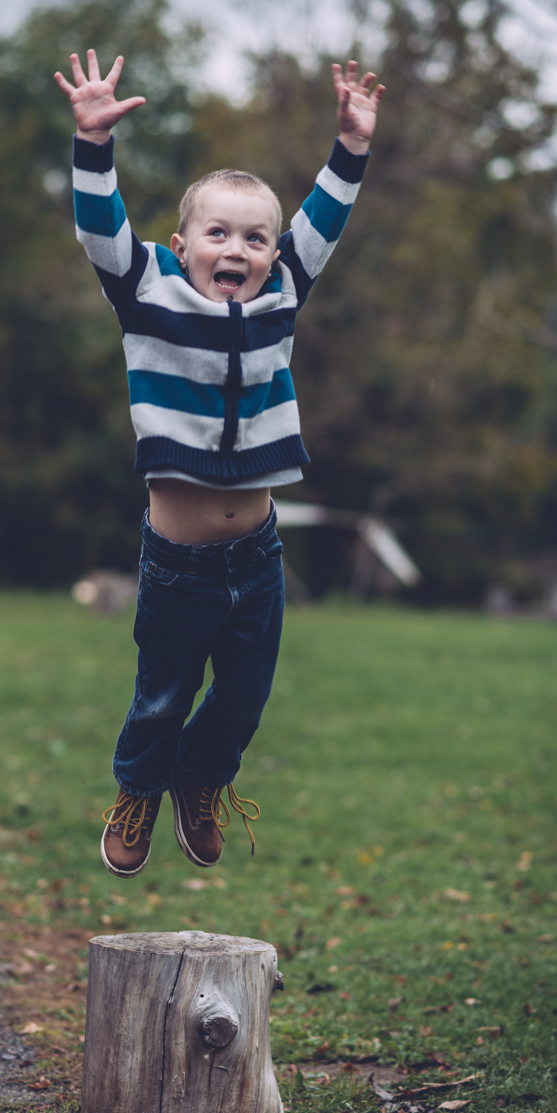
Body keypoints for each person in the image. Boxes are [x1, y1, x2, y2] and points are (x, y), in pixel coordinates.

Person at [55, 48, 384, 878]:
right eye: (218, 233)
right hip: (177, 563)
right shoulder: (147, 292)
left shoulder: (281, 293)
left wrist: (349, 148)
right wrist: (92, 146)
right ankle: (137, 791)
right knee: (161, 697)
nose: (237, 248)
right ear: (181, 244)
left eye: (255, 237)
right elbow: (99, 227)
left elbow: (324, 219)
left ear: (274, 254)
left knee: (240, 699)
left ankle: (201, 781)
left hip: (259, 555)